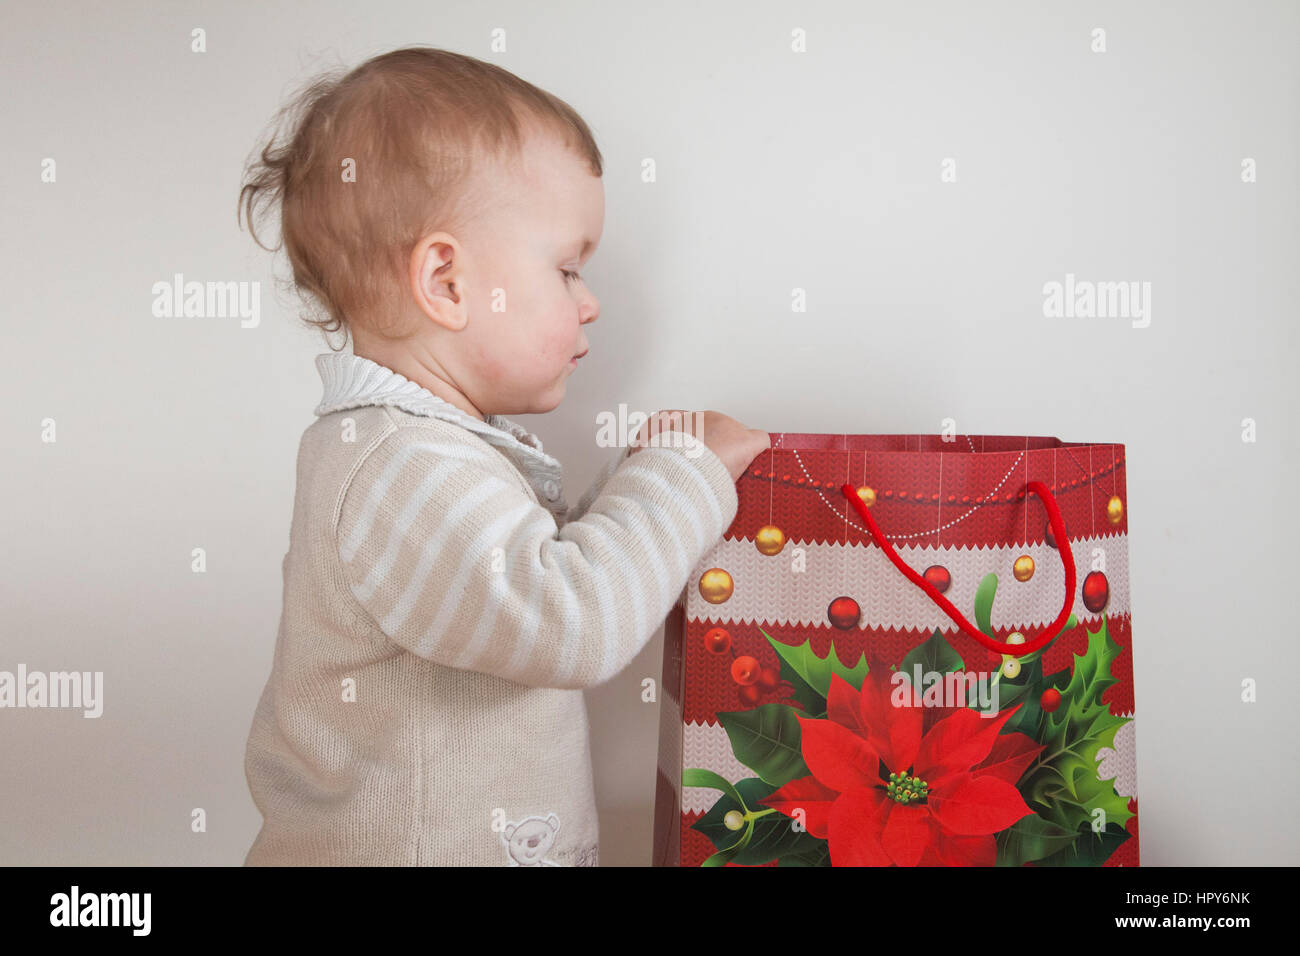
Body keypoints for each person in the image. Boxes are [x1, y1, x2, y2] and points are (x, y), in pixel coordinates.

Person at [237, 46, 769, 865]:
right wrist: (679, 477)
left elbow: (520, 580)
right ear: (447, 282)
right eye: (566, 269)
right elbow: (568, 623)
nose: (590, 303)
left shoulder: (422, 451)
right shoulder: (398, 469)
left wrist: (635, 482)